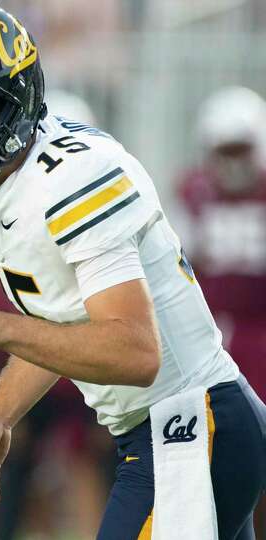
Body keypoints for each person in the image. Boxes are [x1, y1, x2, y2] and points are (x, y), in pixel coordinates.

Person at [0, 4, 266, 539]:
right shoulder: (0, 179)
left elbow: (135, 352)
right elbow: (62, 324)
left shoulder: (70, 180)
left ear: (14, 102)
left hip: (188, 426)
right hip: (171, 432)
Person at [177, 85, 266, 534]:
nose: (232, 161)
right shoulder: (192, 191)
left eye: (240, 148)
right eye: (223, 150)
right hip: (212, 341)